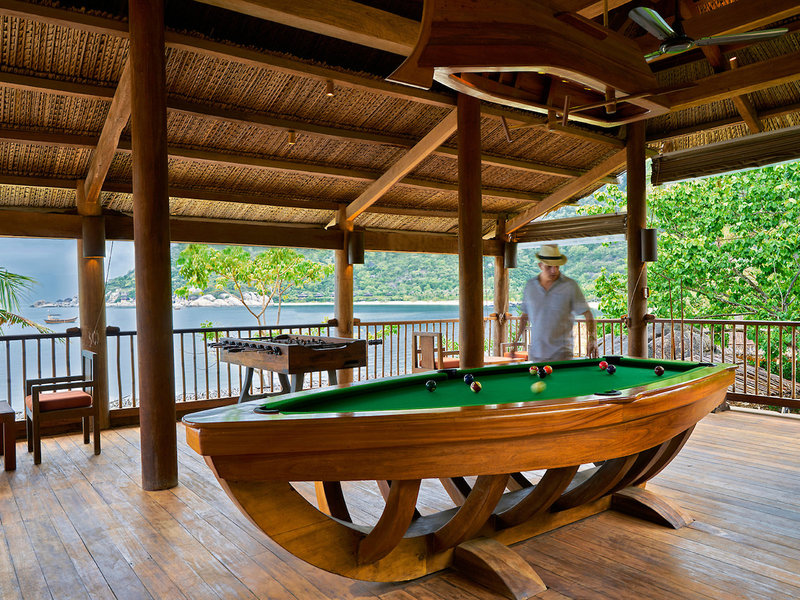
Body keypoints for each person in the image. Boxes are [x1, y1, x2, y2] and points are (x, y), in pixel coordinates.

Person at [513, 244, 598, 362]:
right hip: (536, 354)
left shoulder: (570, 286)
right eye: (549, 267)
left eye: (557, 266)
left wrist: (592, 339)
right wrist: (516, 342)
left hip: (562, 355)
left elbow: (588, 314)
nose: (554, 271)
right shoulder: (530, 286)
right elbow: (524, 316)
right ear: (540, 265)